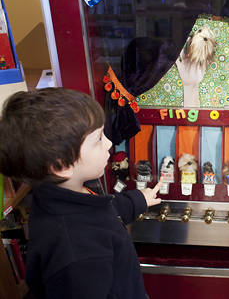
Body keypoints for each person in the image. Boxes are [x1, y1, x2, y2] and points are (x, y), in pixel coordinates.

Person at [0, 87, 162, 298]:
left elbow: (99, 214)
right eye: (98, 139)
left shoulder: (61, 195)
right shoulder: (77, 254)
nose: (109, 143)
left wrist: (135, 200)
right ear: (61, 166)